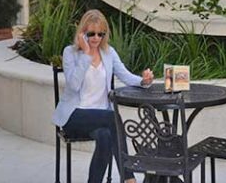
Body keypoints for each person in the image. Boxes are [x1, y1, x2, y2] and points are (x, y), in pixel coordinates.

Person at [52, 9, 154, 183]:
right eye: (91, 33)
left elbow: (126, 75)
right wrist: (85, 55)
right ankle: (129, 178)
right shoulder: (70, 53)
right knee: (112, 117)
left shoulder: (108, 52)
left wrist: (144, 81)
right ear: (82, 33)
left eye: (101, 34)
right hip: (74, 116)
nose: (96, 38)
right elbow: (73, 85)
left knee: (106, 136)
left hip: (101, 115)